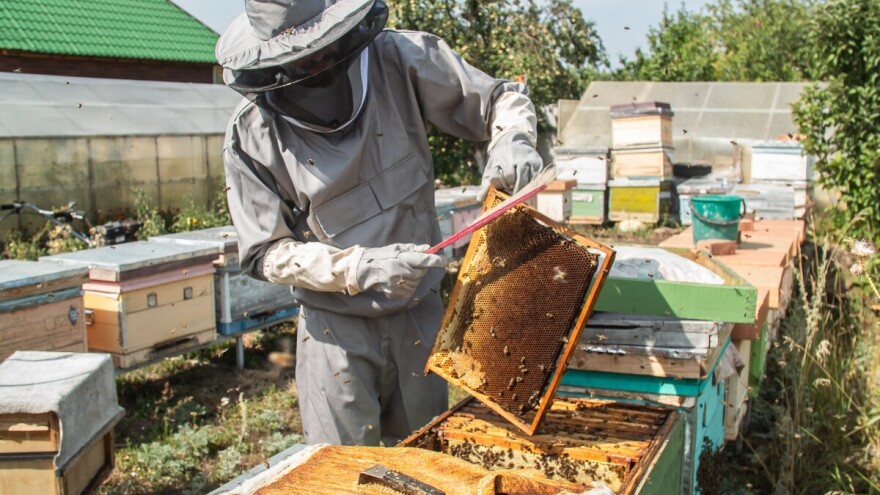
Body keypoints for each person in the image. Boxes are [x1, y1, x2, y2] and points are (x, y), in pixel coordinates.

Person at [216, 0, 544, 446]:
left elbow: (500, 98)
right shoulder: (250, 134)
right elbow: (265, 253)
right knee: (346, 475)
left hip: (421, 318)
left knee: (428, 461)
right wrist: (357, 268)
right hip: (337, 332)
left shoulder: (400, 58)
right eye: (302, 60)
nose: (318, 66)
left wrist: (514, 139)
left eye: (324, 51)